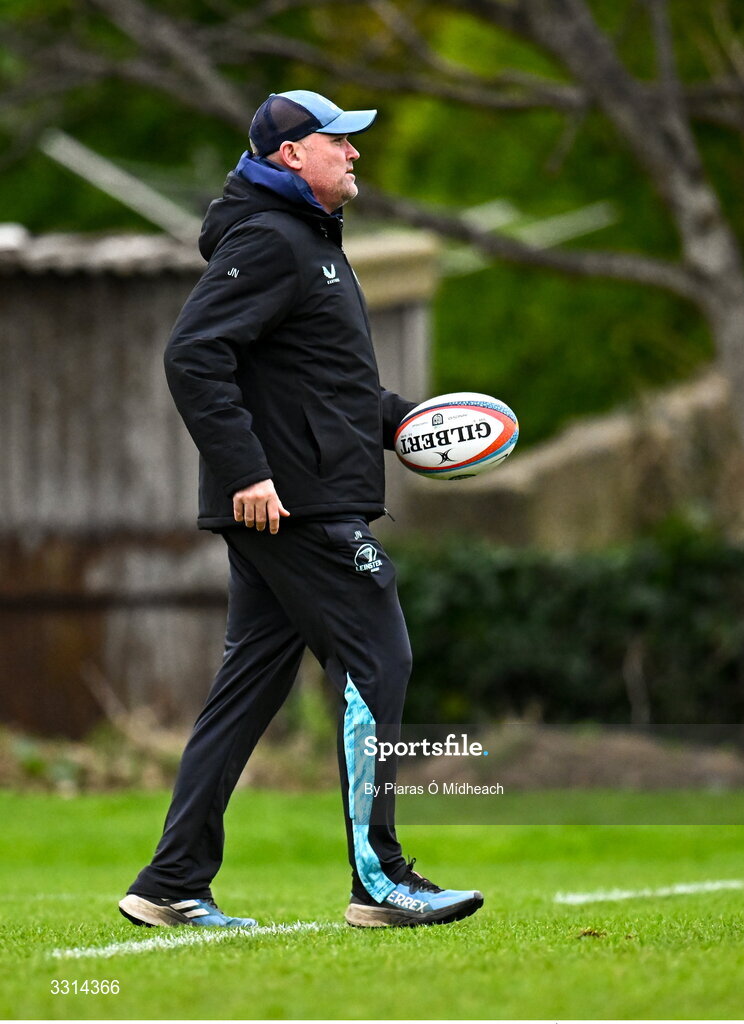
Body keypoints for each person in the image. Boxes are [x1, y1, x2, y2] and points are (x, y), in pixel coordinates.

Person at [118, 90, 483, 930]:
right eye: (339, 141)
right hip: (296, 506)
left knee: (247, 689)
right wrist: (247, 472)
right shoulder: (273, 241)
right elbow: (192, 355)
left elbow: (325, 384)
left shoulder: (311, 243)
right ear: (292, 156)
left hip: (299, 498)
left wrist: (405, 425)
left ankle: (172, 879)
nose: (355, 153)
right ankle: (381, 879)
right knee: (379, 658)